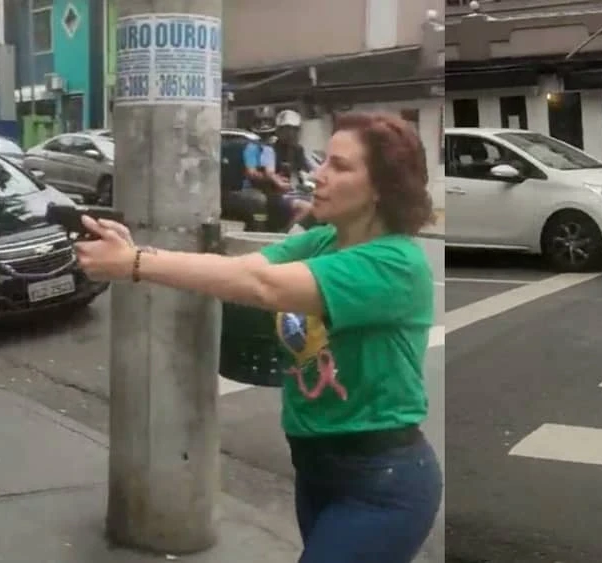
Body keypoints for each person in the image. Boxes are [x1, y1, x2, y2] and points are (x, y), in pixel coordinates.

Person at [73, 111, 442, 563]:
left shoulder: (395, 264)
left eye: (340, 167)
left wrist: (134, 263)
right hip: (315, 469)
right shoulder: (325, 240)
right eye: (324, 161)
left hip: (380, 481)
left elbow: (261, 287)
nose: (318, 175)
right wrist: (134, 250)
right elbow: (248, 269)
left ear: (383, 188)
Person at [242, 106, 312, 232]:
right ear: (279, 131)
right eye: (287, 130)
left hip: (291, 192)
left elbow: (306, 170)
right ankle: (283, 236)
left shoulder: (297, 150)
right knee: (306, 208)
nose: (291, 134)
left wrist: (308, 181)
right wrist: (276, 180)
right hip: (272, 193)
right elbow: (263, 173)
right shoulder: (268, 149)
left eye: (294, 130)